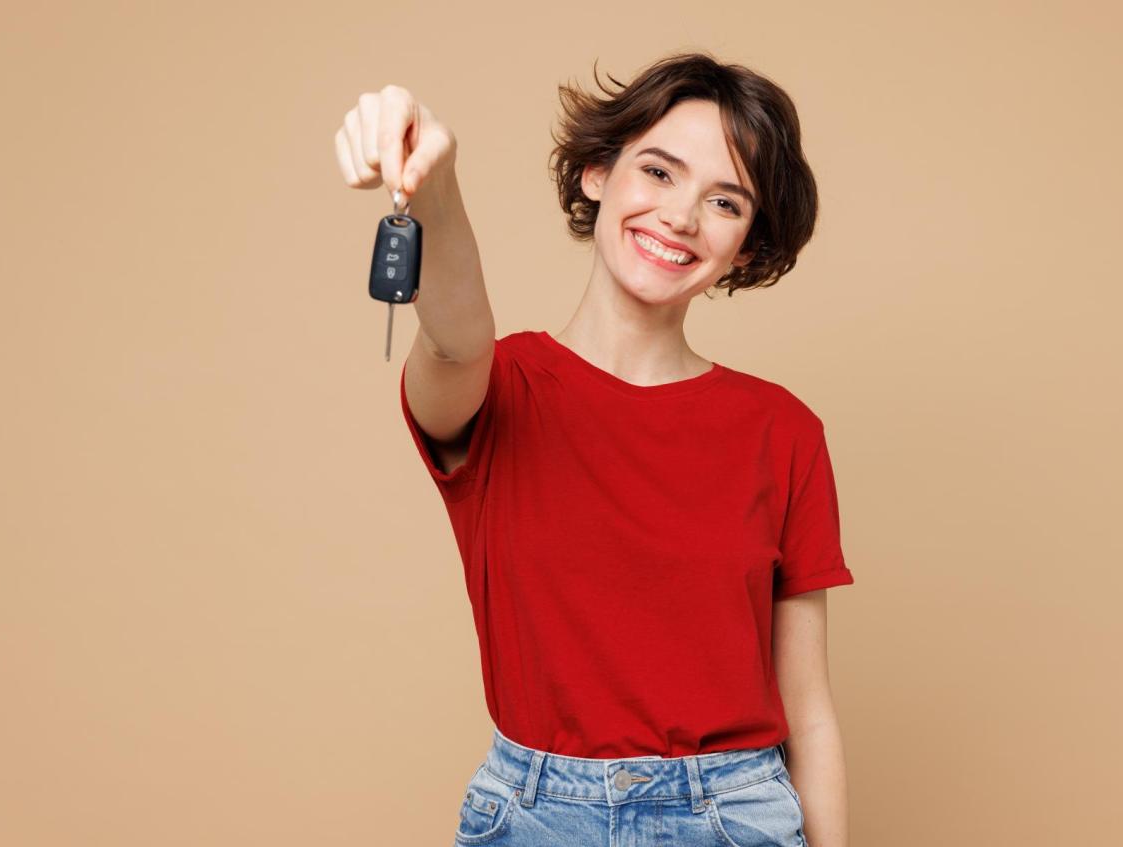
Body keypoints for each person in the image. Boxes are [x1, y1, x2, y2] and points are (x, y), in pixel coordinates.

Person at [335, 51, 854, 847]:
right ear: (596, 173)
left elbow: (808, 709)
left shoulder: (783, 431)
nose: (680, 215)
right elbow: (454, 336)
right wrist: (434, 181)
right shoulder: (500, 388)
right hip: (534, 817)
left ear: (746, 246)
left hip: (735, 816)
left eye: (724, 200)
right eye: (658, 171)